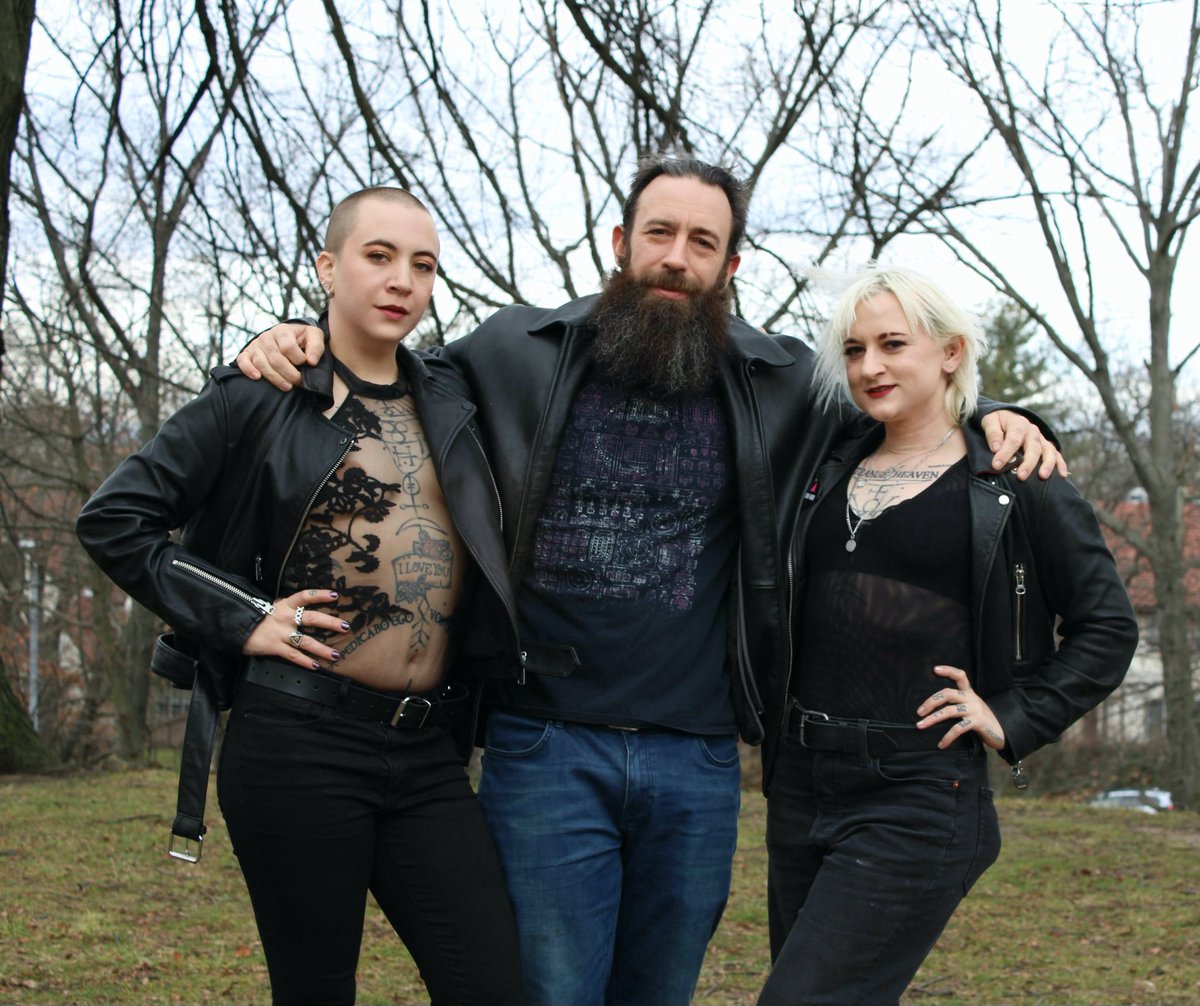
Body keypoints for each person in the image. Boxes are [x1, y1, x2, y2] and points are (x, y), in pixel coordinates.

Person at [236, 158, 1062, 1006]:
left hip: (696, 757)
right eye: (660, 233)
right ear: (621, 243)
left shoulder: (780, 382)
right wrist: (294, 335)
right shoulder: (515, 349)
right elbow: (389, 369)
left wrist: (999, 414)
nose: (677, 257)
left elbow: (902, 402)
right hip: (544, 745)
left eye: (703, 242)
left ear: (729, 266)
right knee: (551, 994)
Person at [76, 187, 525, 1006]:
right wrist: (244, 617)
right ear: (327, 266)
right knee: (316, 990)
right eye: (378, 256)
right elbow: (113, 520)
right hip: (297, 742)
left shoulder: (454, 400)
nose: (402, 280)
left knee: (491, 985)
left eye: (423, 265)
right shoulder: (259, 393)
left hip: (427, 750)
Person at [757, 266, 1138, 1006]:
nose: (870, 366)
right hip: (802, 783)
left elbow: (1109, 627)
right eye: (855, 349)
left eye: (893, 343)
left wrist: (1013, 715)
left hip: (918, 792)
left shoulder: (1017, 477)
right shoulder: (827, 461)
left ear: (951, 351)